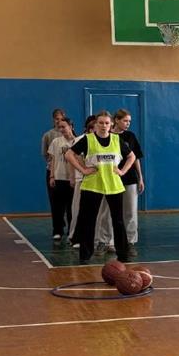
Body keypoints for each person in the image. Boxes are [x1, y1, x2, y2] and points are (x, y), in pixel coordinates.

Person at [65, 111, 135, 264]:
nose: (104, 126)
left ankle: (122, 254)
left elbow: (132, 156)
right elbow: (69, 154)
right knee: (88, 221)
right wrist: (83, 170)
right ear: (95, 124)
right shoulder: (88, 139)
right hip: (92, 185)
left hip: (114, 185)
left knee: (118, 221)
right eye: (101, 123)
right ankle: (85, 255)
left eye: (107, 123)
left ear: (111, 125)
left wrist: (123, 171)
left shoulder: (116, 139)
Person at [112, 109, 144, 257]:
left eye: (129, 121)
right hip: (111, 179)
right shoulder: (108, 135)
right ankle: (108, 242)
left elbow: (135, 158)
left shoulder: (130, 136)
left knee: (130, 211)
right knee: (109, 212)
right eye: (125, 121)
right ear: (116, 120)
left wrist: (140, 178)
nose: (128, 123)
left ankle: (130, 242)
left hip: (130, 178)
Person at [68, 116, 96, 248]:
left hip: (97, 181)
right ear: (90, 129)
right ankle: (74, 236)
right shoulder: (80, 140)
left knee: (93, 212)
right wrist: (82, 171)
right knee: (78, 209)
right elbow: (72, 156)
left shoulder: (104, 140)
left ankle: (93, 238)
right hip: (82, 179)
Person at [47, 117, 76, 240]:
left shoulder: (78, 141)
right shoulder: (56, 142)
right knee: (58, 207)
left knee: (72, 208)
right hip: (59, 178)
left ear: (71, 127)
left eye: (64, 127)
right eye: (59, 127)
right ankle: (57, 231)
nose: (61, 129)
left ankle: (71, 231)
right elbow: (53, 160)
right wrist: (52, 176)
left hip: (73, 180)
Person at [41, 108, 65, 212]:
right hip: (52, 172)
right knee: (54, 200)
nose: (59, 121)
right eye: (57, 119)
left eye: (61, 119)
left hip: (66, 172)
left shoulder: (68, 133)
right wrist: (53, 164)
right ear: (53, 120)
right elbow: (45, 153)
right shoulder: (48, 135)